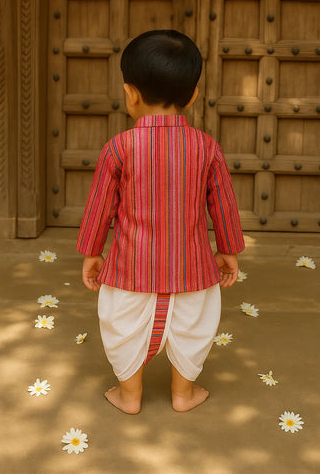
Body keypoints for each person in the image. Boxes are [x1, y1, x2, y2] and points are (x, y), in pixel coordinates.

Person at [76, 29, 244, 414]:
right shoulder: (207, 147)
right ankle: (183, 394)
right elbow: (224, 205)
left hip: (129, 268)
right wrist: (230, 250)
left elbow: (99, 207)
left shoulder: (119, 148)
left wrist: (91, 253)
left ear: (130, 93)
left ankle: (130, 396)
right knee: (193, 327)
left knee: (122, 327)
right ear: (193, 96)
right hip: (194, 268)